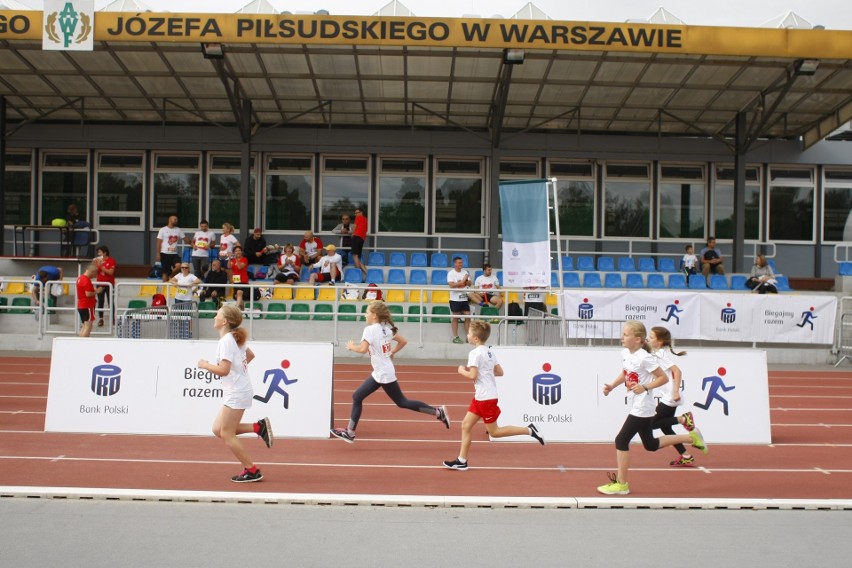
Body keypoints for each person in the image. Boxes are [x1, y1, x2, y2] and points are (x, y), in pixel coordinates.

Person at [597, 321, 708, 496]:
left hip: (643, 406)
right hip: (637, 403)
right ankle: (691, 437)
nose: (621, 337)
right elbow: (626, 373)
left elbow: (663, 378)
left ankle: (621, 484)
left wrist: (646, 387)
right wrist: (612, 386)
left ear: (638, 339)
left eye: (625, 335)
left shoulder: (645, 357)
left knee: (621, 440)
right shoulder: (625, 353)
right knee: (650, 444)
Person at [330, 301, 450, 443]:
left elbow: (362, 350)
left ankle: (438, 412)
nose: (365, 315)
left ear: (374, 315)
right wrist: (392, 351)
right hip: (382, 371)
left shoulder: (369, 330)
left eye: (367, 312)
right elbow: (403, 341)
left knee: (401, 402)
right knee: (358, 396)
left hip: (383, 373)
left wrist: (351, 346)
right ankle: (350, 432)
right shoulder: (386, 330)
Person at [443, 321, 544, 471]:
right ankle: (461, 461)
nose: (468, 336)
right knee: (465, 425)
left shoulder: (474, 353)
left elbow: (472, 375)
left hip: (486, 398)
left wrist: (461, 371)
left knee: (494, 432)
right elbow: (500, 372)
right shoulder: (489, 351)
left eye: (469, 333)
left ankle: (529, 430)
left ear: (476, 338)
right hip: (482, 396)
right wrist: (486, 374)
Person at [196, 304, 273, 483]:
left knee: (227, 434)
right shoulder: (233, 337)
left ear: (224, 321)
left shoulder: (226, 341)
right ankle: (258, 427)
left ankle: (252, 469)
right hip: (239, 389)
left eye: (218, 314)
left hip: (237, 392)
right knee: (218, 429)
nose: (214, 316)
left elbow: (223, 370)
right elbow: (250, 355)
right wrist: (239, 371)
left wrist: (204, 365)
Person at [648, 326, 699, 467]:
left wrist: (676, 391)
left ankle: (683, 418)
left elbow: (677, 371)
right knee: (666, 428)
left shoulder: (660, 355)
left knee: (651, 424)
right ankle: (686, 456)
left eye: (651, 337)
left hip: (671, 396)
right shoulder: (656, 354)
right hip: (669, 395)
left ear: (660, 342)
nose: (648, 339)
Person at [156, 215, 189, 282]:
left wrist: (192, 242)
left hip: (174, 253)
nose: (176, 221)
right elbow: (159, 242)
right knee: (165, 271)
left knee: (179, 266)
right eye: (175, 219)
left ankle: (170, 276)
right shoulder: (163, 230)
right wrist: (158, 254)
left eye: (176, 219)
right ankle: (164, 286)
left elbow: (185, 239)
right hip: (164, 253)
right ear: (170, 220)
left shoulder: (178, 230)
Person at [448, 256, 472, 344]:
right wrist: (462, 281)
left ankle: (468, 336)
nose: (461, 264)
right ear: (455, 263)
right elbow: (451, 285)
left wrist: (466, 281)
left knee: (468, 316)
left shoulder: (465, 272)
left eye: (461, 263)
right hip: (454, 299)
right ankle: (455, 337)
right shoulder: (451, 273)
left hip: (464, 298)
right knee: (455, 317)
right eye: (459, 263)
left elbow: (469, 283)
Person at [94, 245, 116, 328]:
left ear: (105, 252)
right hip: (100, 283)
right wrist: (95, 265)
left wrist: (101, 267)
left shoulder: (111, 261)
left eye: (100, 252)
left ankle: (112, 318)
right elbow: (93, 271)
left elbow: (110, 272)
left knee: (110, 301)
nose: (98, 254)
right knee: (100, 301)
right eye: (98, 252)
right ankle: (100, 319)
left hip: (109, 284)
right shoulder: (97, 261)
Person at [76, 263, 98, 338]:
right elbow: (88, 294)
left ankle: (80, 342)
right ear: (92, 271)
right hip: (87, 305)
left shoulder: (80, 278)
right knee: (88, 326)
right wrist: (97, 291)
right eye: (95, 274)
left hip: (81, 305)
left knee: (84, 326)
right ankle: (83, 344)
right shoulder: (86, 280)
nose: (94, 276)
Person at [351, 207, 368, 278]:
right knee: (358, 257)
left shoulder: (358, 218)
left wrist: (352, 233)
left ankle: (358, 273)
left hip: (356, 237)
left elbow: (354, 227)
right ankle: (367, 273)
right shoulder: (366, 219)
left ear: (361, 213)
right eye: (355, 213)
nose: (355, 214)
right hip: (362, 239)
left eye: (357, 213)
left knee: (355, 255)